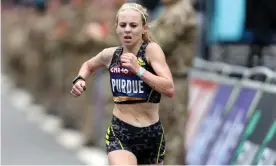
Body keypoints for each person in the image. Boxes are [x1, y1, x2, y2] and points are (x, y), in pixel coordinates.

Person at [70, 3, 174, 165]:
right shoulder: (110, 54)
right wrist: (80, 79)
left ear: (144, 28)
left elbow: (169, 88)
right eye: (123, 25)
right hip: (121, 131)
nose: (127, 30)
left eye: (133, 25)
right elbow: (89, 65)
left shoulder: (151, 51)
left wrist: (138, 69)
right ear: (117, 28)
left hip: (150, 134)